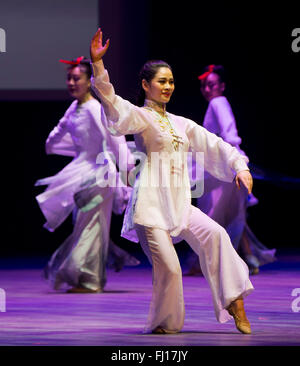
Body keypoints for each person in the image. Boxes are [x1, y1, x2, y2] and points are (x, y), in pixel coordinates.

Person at [90, 28, 254, 334]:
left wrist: (238, 166)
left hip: (178, 203)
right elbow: (113, 104)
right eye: (161, 81)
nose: (168, 86)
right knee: (171, 267)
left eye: (171, 81)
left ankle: (235, 299)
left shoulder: (182, 124)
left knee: (217, 235)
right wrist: (99, 66)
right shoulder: (141, 117)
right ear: (145, 85)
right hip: (150, 208)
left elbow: (215, 143)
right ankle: (166, 323)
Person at [35, 56, 139, 294]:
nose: (71, 82)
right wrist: (51, 144)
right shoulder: (75, 107)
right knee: (86, 224)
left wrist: (126, 170)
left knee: (91, 224)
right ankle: (87, 277)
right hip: (84, 171)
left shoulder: (95, 108)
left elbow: (114, 137)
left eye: (76, 78)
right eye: (69, 78)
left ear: (88, 81)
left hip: (99, 174)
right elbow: (57, 133)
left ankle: (89, 279)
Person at [186, 65, 276, 276]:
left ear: (222, 86)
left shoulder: (218, 102)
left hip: (221, 168)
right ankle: (248, 259)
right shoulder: (216, 104)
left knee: (216, 215)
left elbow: (230, 134)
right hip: (220, 166)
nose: (207, 89)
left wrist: (235, 160)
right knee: (231, 214)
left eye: (211, 85)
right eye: (204, 86)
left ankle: (211, 263)